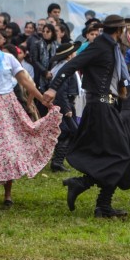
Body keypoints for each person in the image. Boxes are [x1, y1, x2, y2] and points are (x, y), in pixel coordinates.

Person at [43, 15, 130, 218]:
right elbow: (70, 65)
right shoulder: (99, 47)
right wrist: (53, 88)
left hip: (107, 107)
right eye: (125, 30)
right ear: (119, 31)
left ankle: (90, 192)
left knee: (118, 155)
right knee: (122, 155)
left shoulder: (112, 47)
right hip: (100, 108)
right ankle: (96, 198)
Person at [0, 26, 61, 205]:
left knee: (9, 150)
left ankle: (8, 193)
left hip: (8, 108)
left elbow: (25, 81)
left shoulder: (8, 58)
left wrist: (42, 99)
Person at [48, 42, 81, 173]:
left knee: (68, 132)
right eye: (73, 52)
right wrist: (67, 108)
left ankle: (58, 161)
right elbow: (61, 91)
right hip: (64, 104)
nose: (75, 54)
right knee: (68, 132)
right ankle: (57, 162)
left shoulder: (67, 67)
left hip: (67, 103)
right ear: (69, 55)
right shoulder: (65, 69)